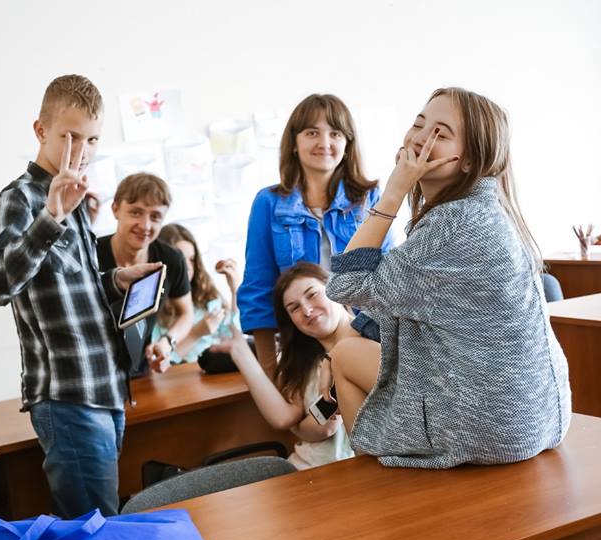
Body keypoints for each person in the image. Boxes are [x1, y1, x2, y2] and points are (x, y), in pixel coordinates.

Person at [326, 87, 572, 468]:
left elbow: (343, 285)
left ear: (469, 160)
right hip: (538, 416)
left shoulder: (452, 225)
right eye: (418, 124)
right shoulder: (491, 209)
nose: (421, 139)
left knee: (343, 354)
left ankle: (371, 486)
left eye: (440, 133)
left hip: (494, 427)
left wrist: (393, 193)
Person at [0, 74, 158, 518]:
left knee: (101, 520)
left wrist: (114, 280)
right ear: (40, 131)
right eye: (70, 137)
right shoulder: (22, 199)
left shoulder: (75, 197)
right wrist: (51, 216)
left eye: (92, 139)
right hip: (68, 394)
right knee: (93, 529)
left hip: (106, 386)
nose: (83, 150)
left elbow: (66, 284)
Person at [237, 94, 394, 378]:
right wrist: (270, 372)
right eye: (312, 133)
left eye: (335, 133)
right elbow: (257, 290)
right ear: (294, 144)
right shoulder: (268, 203)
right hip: (303, 352)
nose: (324, 143)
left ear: (347, 145)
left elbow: (386, 285)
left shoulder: (370, 199)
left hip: (364, 342)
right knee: (313, 423)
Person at [216, 262, 369, 468]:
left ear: (334, 288)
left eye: (312, 294)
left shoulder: (371, 337)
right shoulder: (303, 361)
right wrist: (240, 352)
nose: (307, 310)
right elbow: (285, 419)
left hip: (354, 471)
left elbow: (322, 428)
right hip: (306, 468)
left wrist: (300, 427)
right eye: (294, 308)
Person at [96, 174, 193, 374]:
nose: (145, 226)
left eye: (155, 216)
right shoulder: (88, 255)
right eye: (136, 213)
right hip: (93, 378)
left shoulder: (172, 259)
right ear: (115, 209)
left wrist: (167, 342)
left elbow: (186, 313)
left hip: (142, 373)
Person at [151, 223, 240, 364]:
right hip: (179, 381)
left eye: (191, 259)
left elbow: (236, 339)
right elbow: (160, 364)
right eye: (180, 259)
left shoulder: (207, 297)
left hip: (215, 374)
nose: (187, 267)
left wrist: (234, 290)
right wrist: (195, 334)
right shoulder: (153, 310)